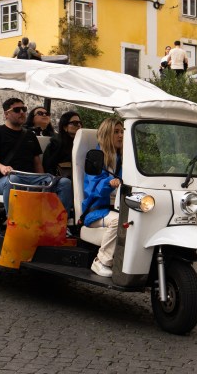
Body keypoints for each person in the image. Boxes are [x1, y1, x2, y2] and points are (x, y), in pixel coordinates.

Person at [0, 97, 73, 215]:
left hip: (31, 178)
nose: (22, 112)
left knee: (65, 183)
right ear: (6, 114)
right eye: (17, 110)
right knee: (14, 180)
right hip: (6, 179)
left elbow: (37, 163)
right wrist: (2, 168)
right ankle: (15, 222)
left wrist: (44, 182)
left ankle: (58, 224)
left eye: (24, 109)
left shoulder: (30, 135)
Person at [82, 117, 124, 277]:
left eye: (122, 132)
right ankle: (101, 261)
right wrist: (109, 182)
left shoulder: (124, 159)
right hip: (96, 211)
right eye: (116, 132)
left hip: (119, 208)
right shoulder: (96, 159)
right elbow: (93, 189)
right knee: (118, 222)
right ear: (107, 134)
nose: (120, 136)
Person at [43, 111, 82, 178]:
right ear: (65, 127)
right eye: (75, 123)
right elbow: (48, 166)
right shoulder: (55, 144)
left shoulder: (82, 143)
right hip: (61, 180)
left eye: (80, 123)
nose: (78, 125)